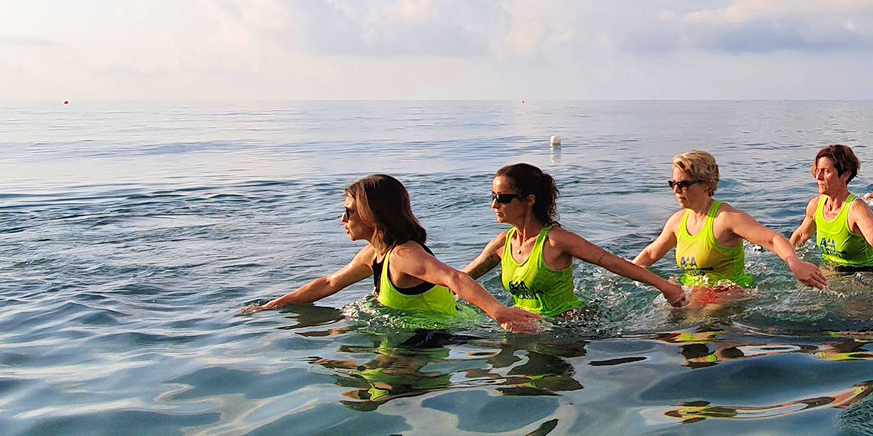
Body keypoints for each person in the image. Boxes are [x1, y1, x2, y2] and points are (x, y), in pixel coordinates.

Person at [264, 173, 538, 331]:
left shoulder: (404, 255)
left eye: (349, 212)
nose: (342, 220)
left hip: (442, 336)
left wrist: (500, 312)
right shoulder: (373, 254)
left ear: (372, 214)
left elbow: (454, 278)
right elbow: (329, 283)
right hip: (413, 332)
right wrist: (272, 306)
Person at [467, 162, 688, 315]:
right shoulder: (503, 243)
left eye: (503, 198)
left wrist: (666, 287)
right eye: (493, 197)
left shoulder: (556, 241)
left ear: (529, 200)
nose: (494, 205)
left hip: (566, 330)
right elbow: (460, 279)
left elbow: (611, 262)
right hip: (525, 328)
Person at [635, 151, 829, 296]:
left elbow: (772, 239)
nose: (677, 190)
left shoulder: (726, 218)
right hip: (690, 294)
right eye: (673, 184)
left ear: (707, 184)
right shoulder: (677, 221)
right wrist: (619, 272)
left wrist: (795, 263)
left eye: (684, 184)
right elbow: (651, 254)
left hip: (730, 295)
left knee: (700, 329)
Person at [791, 145, 873, 274]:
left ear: (845, 175)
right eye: (818, 170)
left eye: (826, 171)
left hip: (862, 276)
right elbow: (800, 236)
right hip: (830, 270)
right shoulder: (815, 205)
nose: (818, 177)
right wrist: (785, 256)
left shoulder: (856, 208)